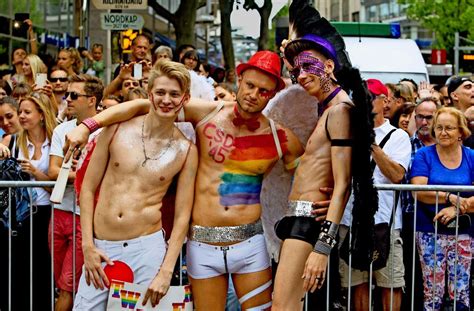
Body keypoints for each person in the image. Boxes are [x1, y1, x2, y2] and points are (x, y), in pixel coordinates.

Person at [63, 52, 304, 310]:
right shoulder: (208, 114)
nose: (254, 94)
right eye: (250, 85)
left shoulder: (282, 139)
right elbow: (144, 106)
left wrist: (326, 204)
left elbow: (307, 176)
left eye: (264, 91)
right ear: (240, 80)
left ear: (274, 93)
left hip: (249, 242)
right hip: (202, 243)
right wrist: (87, 126)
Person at [73, 60, 198, 310]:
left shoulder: (186, 150)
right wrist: (87, 245)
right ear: (150, 94)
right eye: (160, 92)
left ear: (185, 98)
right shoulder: (116, 129)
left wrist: (166, 270)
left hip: (146, 249)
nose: (166, 100)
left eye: (174, 94)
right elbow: (87, 189)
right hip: (101, 247)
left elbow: (183, 216)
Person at [273, 31, 375, 309]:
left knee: (283, 306)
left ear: (330, 65)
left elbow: (343, 184)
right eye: (296, 71)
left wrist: (323, 245)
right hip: (301, 220)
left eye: (308, 66)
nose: (301, 75)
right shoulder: (329, 109)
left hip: (309, 225)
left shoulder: (340, 111)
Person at [338, 79, 410, 311]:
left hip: (385, 223)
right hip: (350, 221)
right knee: (356, 285)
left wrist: (371, 144)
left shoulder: (398, 136)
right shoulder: (344, 132)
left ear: (385, 101)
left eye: (369, 97)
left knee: (390, 285)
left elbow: (397, 175)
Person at [48, 74, 103, 311]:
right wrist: (83, 173)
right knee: (61, 283)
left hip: (86, 218)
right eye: (66, 94)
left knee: (69, 286)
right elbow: (53, 170)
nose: (67, 99)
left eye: (73, 95)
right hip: (59, 213)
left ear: (91, 100)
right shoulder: (62, 130)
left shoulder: (106, 129)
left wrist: (77, 172)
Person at [410, 107, 473, 311]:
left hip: (463, 232)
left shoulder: (471, 156)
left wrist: (457, 209)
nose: (443, 132)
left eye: (449, 128)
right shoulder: (423, 155)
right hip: (430, 231)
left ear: (460, 132)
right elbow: (418, 191)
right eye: (439, 128)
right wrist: (450, 197)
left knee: (460, 290)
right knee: (432, 290)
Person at [0, 92, 56, 309]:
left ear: (41, 115)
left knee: (44, 268)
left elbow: (58, 185)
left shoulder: (56, 141)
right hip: (20, 216)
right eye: (20, 112)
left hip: (48, 213)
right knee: (20, 269)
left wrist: (35, 172)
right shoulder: (12, 141)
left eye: (27, 112)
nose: (21, 116)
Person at [400, 98, 438, 310]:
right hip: (409, 216)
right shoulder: (404, 143)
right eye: (420, 117)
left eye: (429, 117)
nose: (424, 122)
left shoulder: (447, 146)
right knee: (412, 272)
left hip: (440, 217)